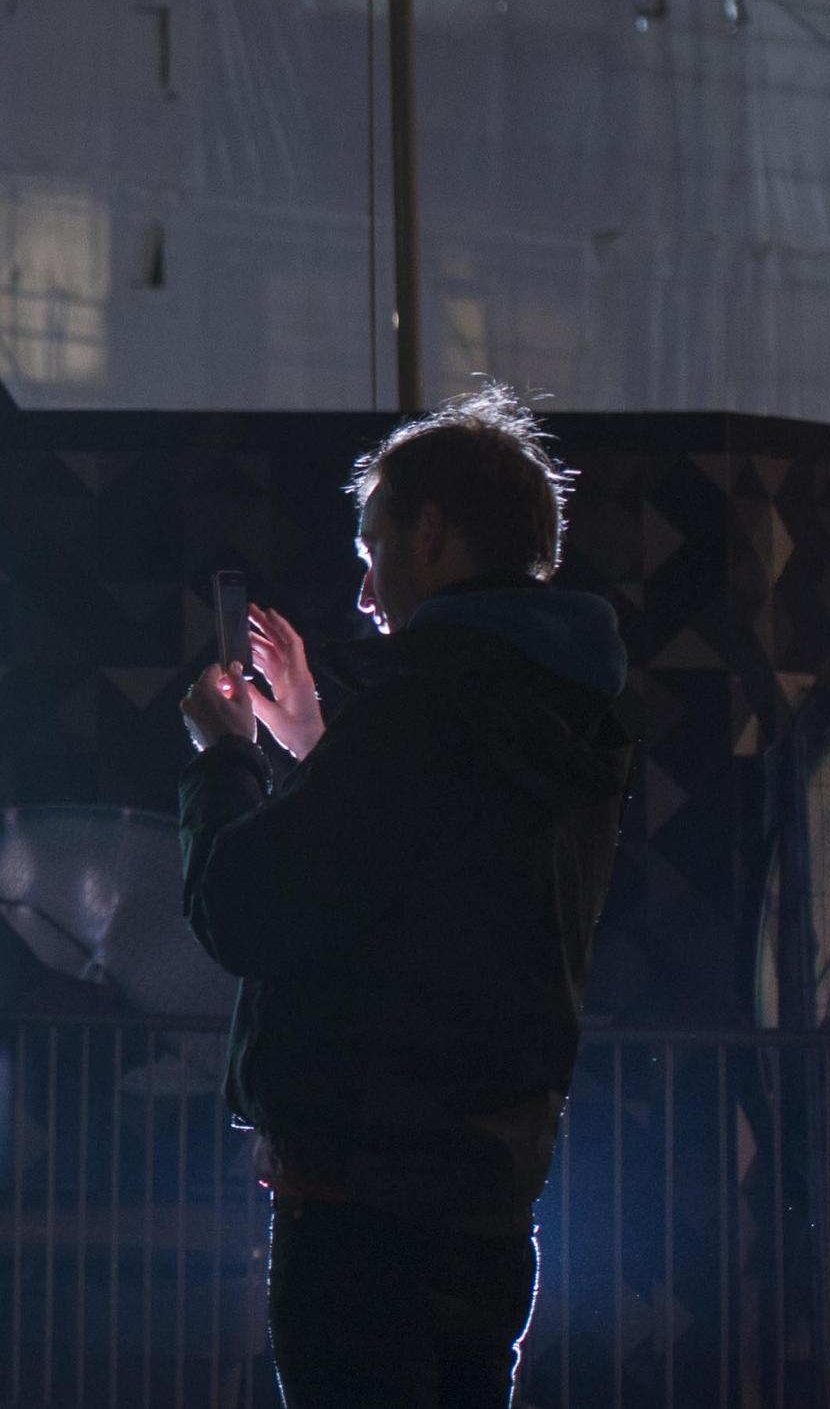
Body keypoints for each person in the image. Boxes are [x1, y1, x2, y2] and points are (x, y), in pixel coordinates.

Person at [177, 382, 632, 1409]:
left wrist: (228, 759)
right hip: (487, 1195)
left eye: (374, 546)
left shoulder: (423, 713)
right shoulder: (565, 715)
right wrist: (319, 750)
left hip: (362, 1205)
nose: (368, 592)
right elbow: (439, 882)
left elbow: (246, 908)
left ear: (432, 532)